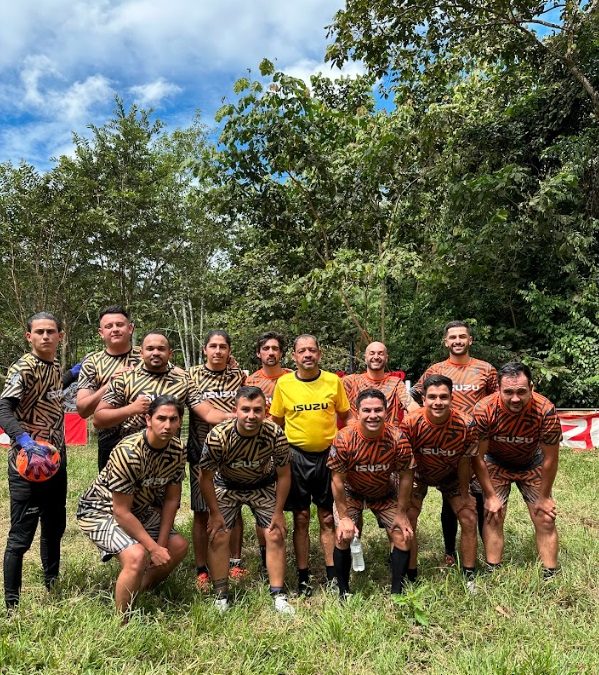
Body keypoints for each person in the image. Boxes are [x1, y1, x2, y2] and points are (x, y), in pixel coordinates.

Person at [77, 395, 188, 619]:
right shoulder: (128, 453)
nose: (167, 425)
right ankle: (122, 623)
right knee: (137, 556)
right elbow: (120, 511)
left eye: (173, 419)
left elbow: (171, 500)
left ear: (180, 422)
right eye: (161, 418)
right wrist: (153, 549)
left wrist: (162, 544)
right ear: (148, 419)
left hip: (138, 509)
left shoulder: (177, 449)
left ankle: (136, 589)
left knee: (177, 546)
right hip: (101, 510)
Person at [199, 386, 294, 614]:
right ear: (236, 410)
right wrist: (214, 513)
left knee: (275, 532)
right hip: (226, 486)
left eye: (257, 410)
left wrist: (278, 512)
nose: (251, 416)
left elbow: (284, 474)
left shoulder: (275, 434)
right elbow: (205, 478)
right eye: (246, 410)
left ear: (265, 411)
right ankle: (221, 594)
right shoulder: (218, 436)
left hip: (261, 485)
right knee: (219, 534)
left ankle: (278, 594)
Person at [0, 312, 73, 609]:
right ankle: (12, 605)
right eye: (39, 332)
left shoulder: (54, 365)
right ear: (28, 336)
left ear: (60, 336)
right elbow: (3, 408)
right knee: (21, 535)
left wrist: (74, 373)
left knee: (55, 526)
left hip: (57, 462)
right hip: (28, 466)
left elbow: (53, 393)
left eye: (51, 331)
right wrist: (24, 440)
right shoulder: (24, 367)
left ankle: (51, 585)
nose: (45, 336)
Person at [411, 321, 498, 565]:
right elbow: (416, 395)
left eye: (462, 337)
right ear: (445, 342)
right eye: (453, 337)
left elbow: (496, 399)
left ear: (470, 340)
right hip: (440, 445)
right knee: (449, 503)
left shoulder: (486, 369)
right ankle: (450, 552)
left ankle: (480, 552)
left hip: (476, 443)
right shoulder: (435, 369)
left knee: (474, 499)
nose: (457, 341)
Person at [270, 334, 350, 596]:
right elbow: (276, 423)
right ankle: (303, 577)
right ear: (293, 356)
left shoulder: (332, 381)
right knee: (301, 517)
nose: (307, 355)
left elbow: (345, 415)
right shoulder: (284, 384)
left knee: (327, 517)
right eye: (302, 351)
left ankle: (332, 574)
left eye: (312, 350)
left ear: (319, 354)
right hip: (297, 456)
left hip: (328, 455)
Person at [472, 362, 562, 577]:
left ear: (531, 388)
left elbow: (551, 458)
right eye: (508, 392)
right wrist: (491, 496)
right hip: (495, 462)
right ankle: (493, 569)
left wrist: (545, 496)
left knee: (545, 516)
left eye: (521, 392)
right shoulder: (484, 409)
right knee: (493, 513)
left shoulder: (545, 410)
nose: (515, 398)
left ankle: (550, 572)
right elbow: (477, 457)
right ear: (498, 389)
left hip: (532, 462)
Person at [328, 388, 415, 598]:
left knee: (403, 535)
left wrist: (402, 514)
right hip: (352, 492)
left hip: (384, 492)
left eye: (378, 410)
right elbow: (337, 481)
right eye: (367, 410)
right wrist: (345, 518)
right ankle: (343, 591)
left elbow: (406, 476)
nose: (373, 415)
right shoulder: (344, 438)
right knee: (342, 535)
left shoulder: (397, 437)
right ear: (358, 412)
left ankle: (398, 593)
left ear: (386, 411)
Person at [401, 375, 479, 587]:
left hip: (452, 474)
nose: (438, 402)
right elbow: (404, 463)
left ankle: (469, 575)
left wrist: (464, 495)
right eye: (432, 397)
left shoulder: (466, 423)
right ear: (423, 399)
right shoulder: (410, 423)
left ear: (452, 398)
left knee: (469, 517)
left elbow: (465, 462)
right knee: (409, 517)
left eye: (443, 397)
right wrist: (405, 498)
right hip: (418, 472)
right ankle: (411, 573)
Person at [187, 330, 246, 588]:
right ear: (205, 350)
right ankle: (201, 568)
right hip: (201, 453)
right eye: (213, 346)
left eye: (223, 346)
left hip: (233, 453)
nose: (218, 351)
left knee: (234, 510)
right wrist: (238, 416)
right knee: (201, 512)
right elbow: (208, 415)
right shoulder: (191, 377)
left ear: (229, 351)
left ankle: (235, 562)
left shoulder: (240, 377)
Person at [76, 306, 140, 470]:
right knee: (111, 493)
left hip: (148, 437)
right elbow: (83, 409)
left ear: (130, 328)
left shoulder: (147, 355)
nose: (115, 329)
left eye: (120, 324)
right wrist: (108, 386)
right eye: (109, 326)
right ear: (101, 332)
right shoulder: (92, 363)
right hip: (110, 440)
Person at [342, 341, 418, 427]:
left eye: (380, 353)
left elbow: (410, 403)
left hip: (388, 436)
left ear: (386, 358)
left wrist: (419, 418)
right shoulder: (350, 381)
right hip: (357, 435)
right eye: (372, 353)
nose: (376, 357)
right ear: (365, 358)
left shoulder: (395, 383)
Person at [246, 331, 292, 416]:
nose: (271, 353)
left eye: (275, 348)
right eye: (266, 348)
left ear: (281, 353)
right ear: (258, 354)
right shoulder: (250, 382)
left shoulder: (292, 378)